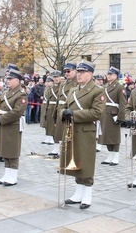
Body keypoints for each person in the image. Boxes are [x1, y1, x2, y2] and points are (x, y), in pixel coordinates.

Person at [61, 60, 105, 209]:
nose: (78, 75)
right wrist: (64, 113)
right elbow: (64, 106)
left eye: (82, 72)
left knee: (86, 163)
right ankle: (78, 193)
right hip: (72, 130)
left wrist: (73, 114)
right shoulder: (73, 90)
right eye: (78, 72)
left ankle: (87, 194)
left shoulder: (97, 91)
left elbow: (96, 113)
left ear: (90, 74)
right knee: (76, 161)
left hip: (86, 131)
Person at [0, 69, 27, 186]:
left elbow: (17, 112)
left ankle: (13, 175)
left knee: (12, 150)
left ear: (17, 80)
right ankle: (7, 173)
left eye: (10, 79)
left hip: (12, 124)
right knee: (4, 149)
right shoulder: (5, 93)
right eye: (7, 79)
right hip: (3, 123)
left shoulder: (21, 94)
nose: (7, 81)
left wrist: (1, 119)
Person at [99, 66, 127, 166]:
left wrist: (121, 117)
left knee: (114, 137)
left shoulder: (120, 87)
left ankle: (116, 156)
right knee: (106, 136)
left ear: (115, 76)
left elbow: (123, 104)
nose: (108, 76)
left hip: (113, 114)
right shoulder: (106, 86)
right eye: (108, 74)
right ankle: (110, 155)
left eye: (111, 74)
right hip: (105, 113)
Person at [50, 62, 78, 156]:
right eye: (65, 71)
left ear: (74, 71)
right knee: (58, 131)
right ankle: (57, 148)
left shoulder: (77, 83)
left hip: (69, 109)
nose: (66, 73)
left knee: (67, 131)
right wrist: (55, 112)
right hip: (60, 109)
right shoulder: (63, 83)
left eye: (68, 71)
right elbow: (58, 99)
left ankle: (66, 150)